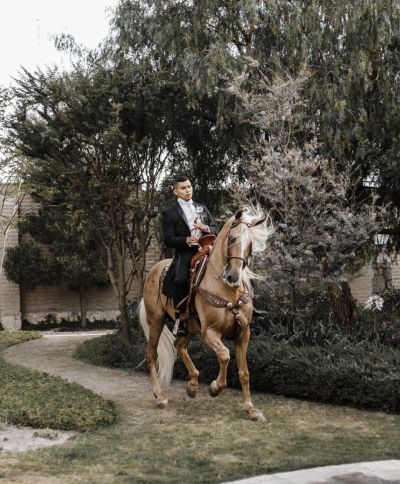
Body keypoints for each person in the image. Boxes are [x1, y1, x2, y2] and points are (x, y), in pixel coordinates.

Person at [162, 175, 218, 336]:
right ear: (175, 191)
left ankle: (246, 305)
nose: (188, 190)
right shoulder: (170, 213)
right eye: (183, 188)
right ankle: (180, 318)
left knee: (232, 265)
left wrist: (206, 227)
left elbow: (215, 228)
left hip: (207, 248)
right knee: (180, 279)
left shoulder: (202, 207)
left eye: (189, 187)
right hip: (187, 251)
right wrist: (185, 239)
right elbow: (168, 239)